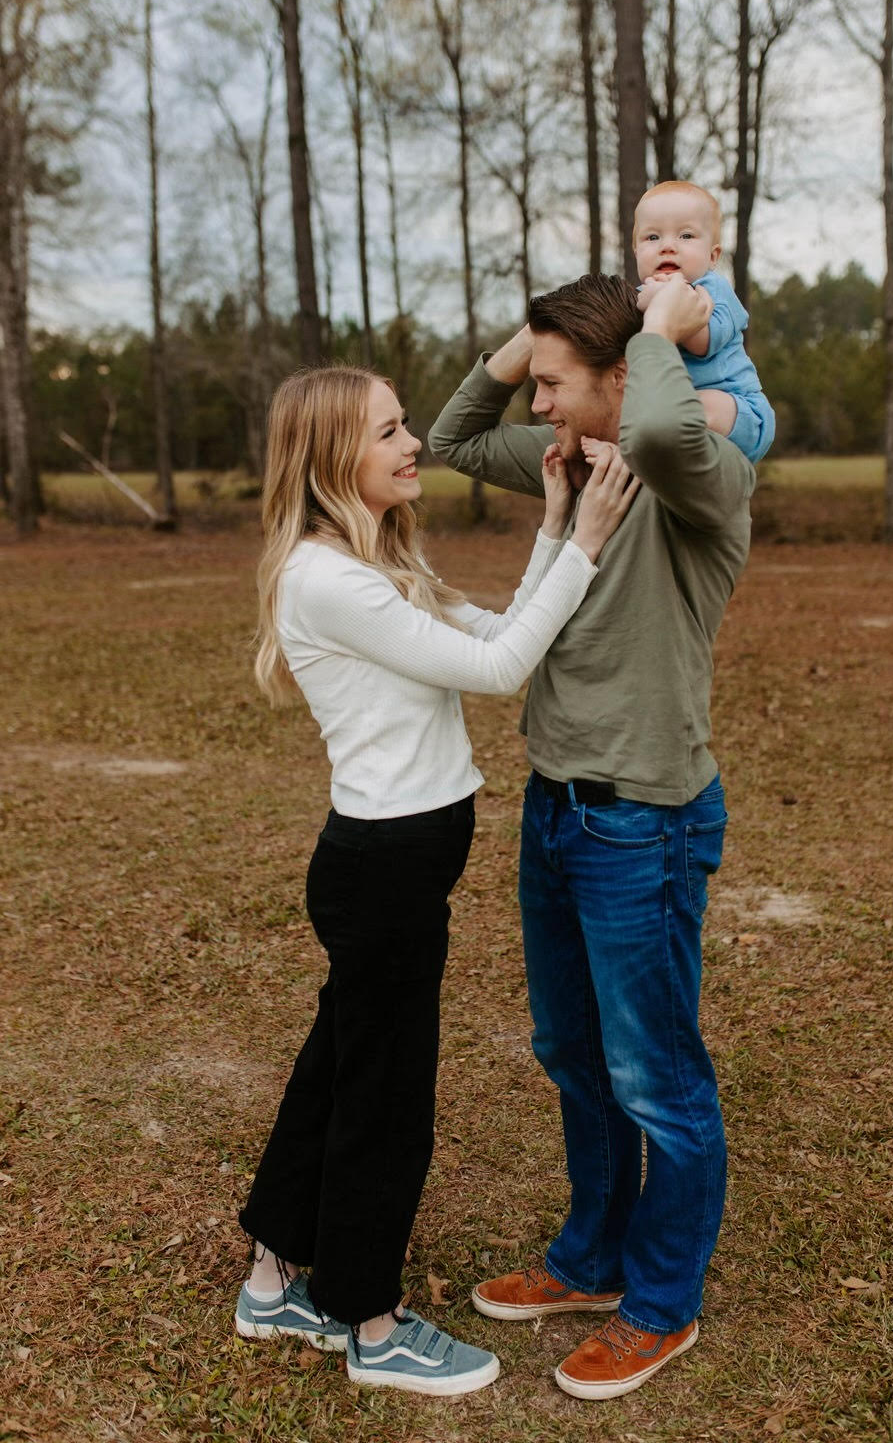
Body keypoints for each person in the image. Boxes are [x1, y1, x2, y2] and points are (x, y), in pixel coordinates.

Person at [234, 363, 638, 1397]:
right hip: (383, 872)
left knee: (340, 1064)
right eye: (387, 432)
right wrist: (588, 538)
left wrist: (551, 521)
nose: (412, 443)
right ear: (332, 459)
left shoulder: (379, 565)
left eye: (405, 424)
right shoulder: (333, 580)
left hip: (393, 862)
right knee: (384, 1095)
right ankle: (369, 1323)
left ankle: (275, 1276)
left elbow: (500, 630)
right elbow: (504, 672)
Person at [428, 272, 755, 1401]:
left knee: (655, 1077)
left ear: (622, 379)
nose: (539, 411)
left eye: (561, 387)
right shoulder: (572, 458)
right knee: (571, 1053)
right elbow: (453, 436)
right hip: (554, 805)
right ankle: (592, 1258)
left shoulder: (701, 474)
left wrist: (662, 326)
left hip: (643, 820)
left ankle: (660, 1302)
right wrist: (531, 343)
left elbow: (664, 419)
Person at [633, 179, 775, 464]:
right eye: (652, 238)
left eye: (686, 236)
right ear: (636, 251)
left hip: (738, 409)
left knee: (692, 407)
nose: (668, 246)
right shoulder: (637, 297)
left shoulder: (713, 289)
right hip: (676, 414)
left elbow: (702, 343)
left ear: (713, 256)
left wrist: (660, 303)